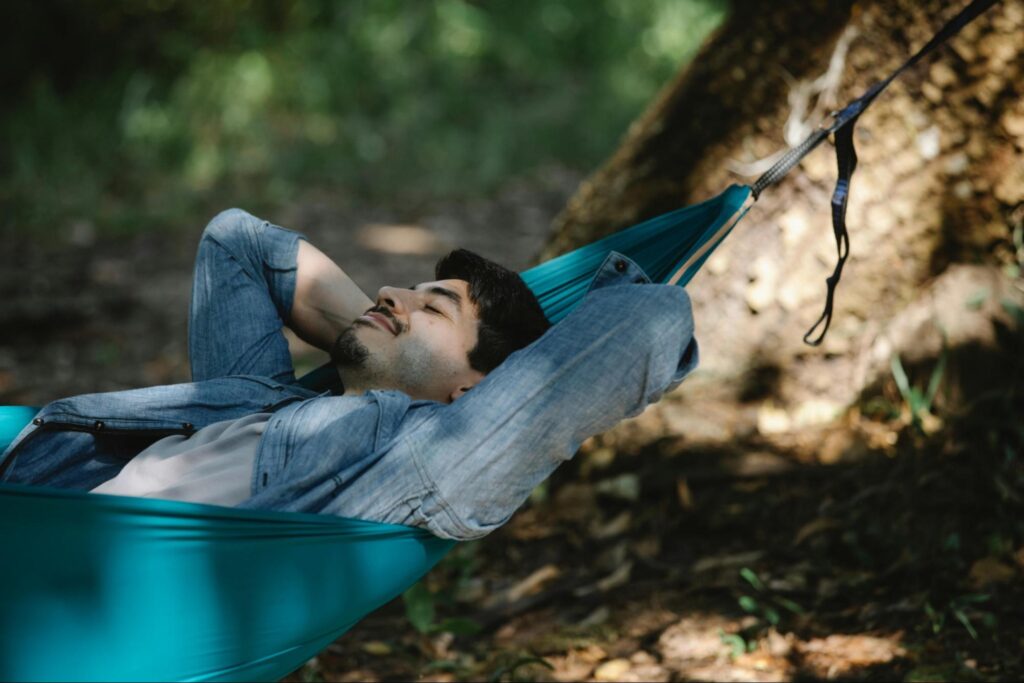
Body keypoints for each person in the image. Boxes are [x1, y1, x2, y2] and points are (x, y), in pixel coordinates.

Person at [0, 209, 699, 540]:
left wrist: (405, 348)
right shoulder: (260, 398)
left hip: (55, 563)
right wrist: (381, 327)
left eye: (438, 305)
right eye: (406, 289)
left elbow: (652, 320)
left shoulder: (420, 461)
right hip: (32, 491)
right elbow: (235, 242)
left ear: (477, 389)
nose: (394, 291)